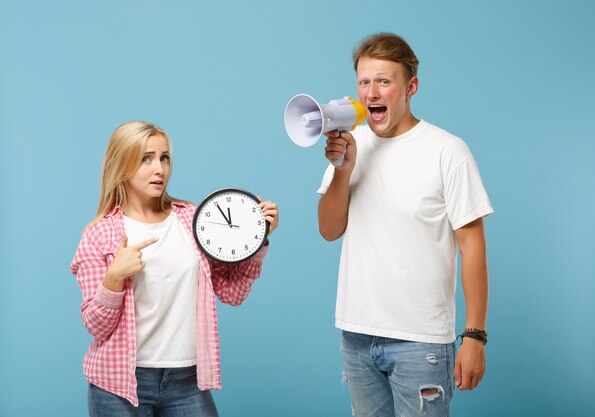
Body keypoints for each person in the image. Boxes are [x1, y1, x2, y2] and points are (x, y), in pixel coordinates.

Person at [317, 33, 493, 417]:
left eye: (384, 81)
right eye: (364, 82)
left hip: (421, 342)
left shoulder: (448, 151)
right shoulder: (351, 144)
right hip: (357, 335)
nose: (372, 91)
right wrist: (342, 170)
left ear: (410, 86)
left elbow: (472, 247)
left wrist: (474, 336)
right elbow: (329, 230)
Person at [70, 121, 278, 416]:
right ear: (122, 164)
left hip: (186, 380)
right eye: (146, 158)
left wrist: (258, 238)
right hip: (120, 382)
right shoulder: (99, 234)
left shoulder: (193, 219)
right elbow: (96, 325)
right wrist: (114, 277)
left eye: (164, 157)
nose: (159, 169)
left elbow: (232, 293)